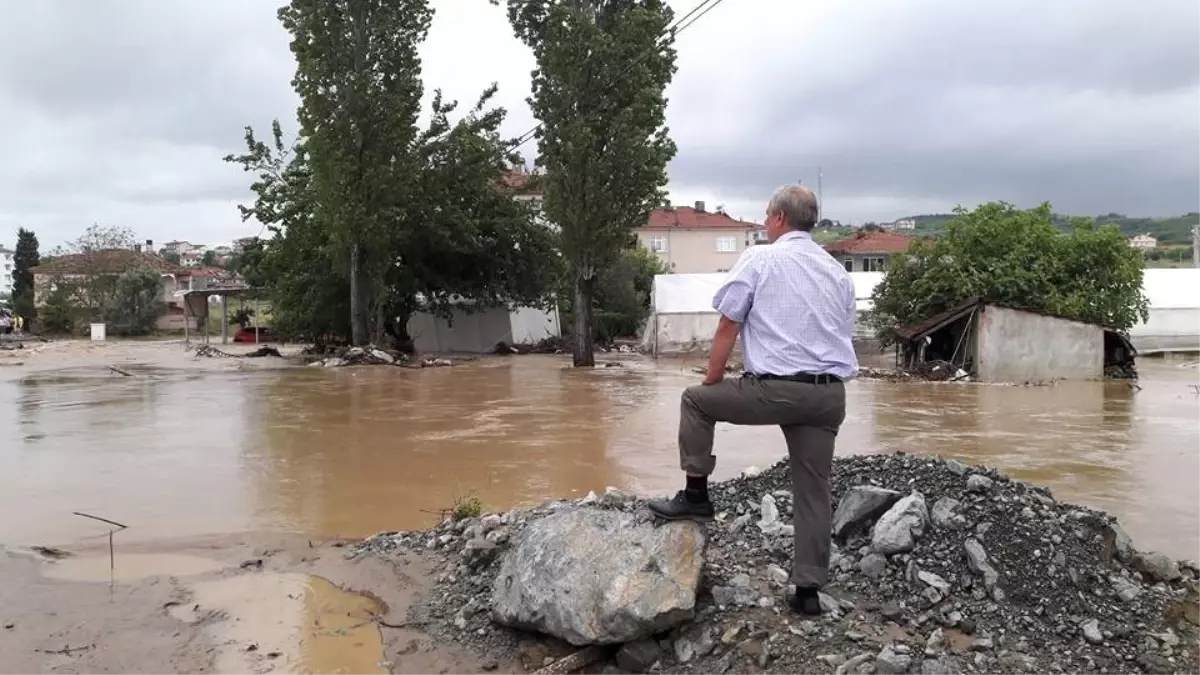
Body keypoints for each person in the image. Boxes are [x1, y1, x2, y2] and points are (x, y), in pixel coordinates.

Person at [647, 183, 858, 616]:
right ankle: (807, 592)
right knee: (813, 490)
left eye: (766, 216)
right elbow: (841, 330)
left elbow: (729, 325)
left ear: (780, 219)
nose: (763, 223)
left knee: (694, 402)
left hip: (775, 390)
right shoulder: (835, 270)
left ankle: (695, 495)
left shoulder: (762, 257)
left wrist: (712, 378)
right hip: (828, 396)